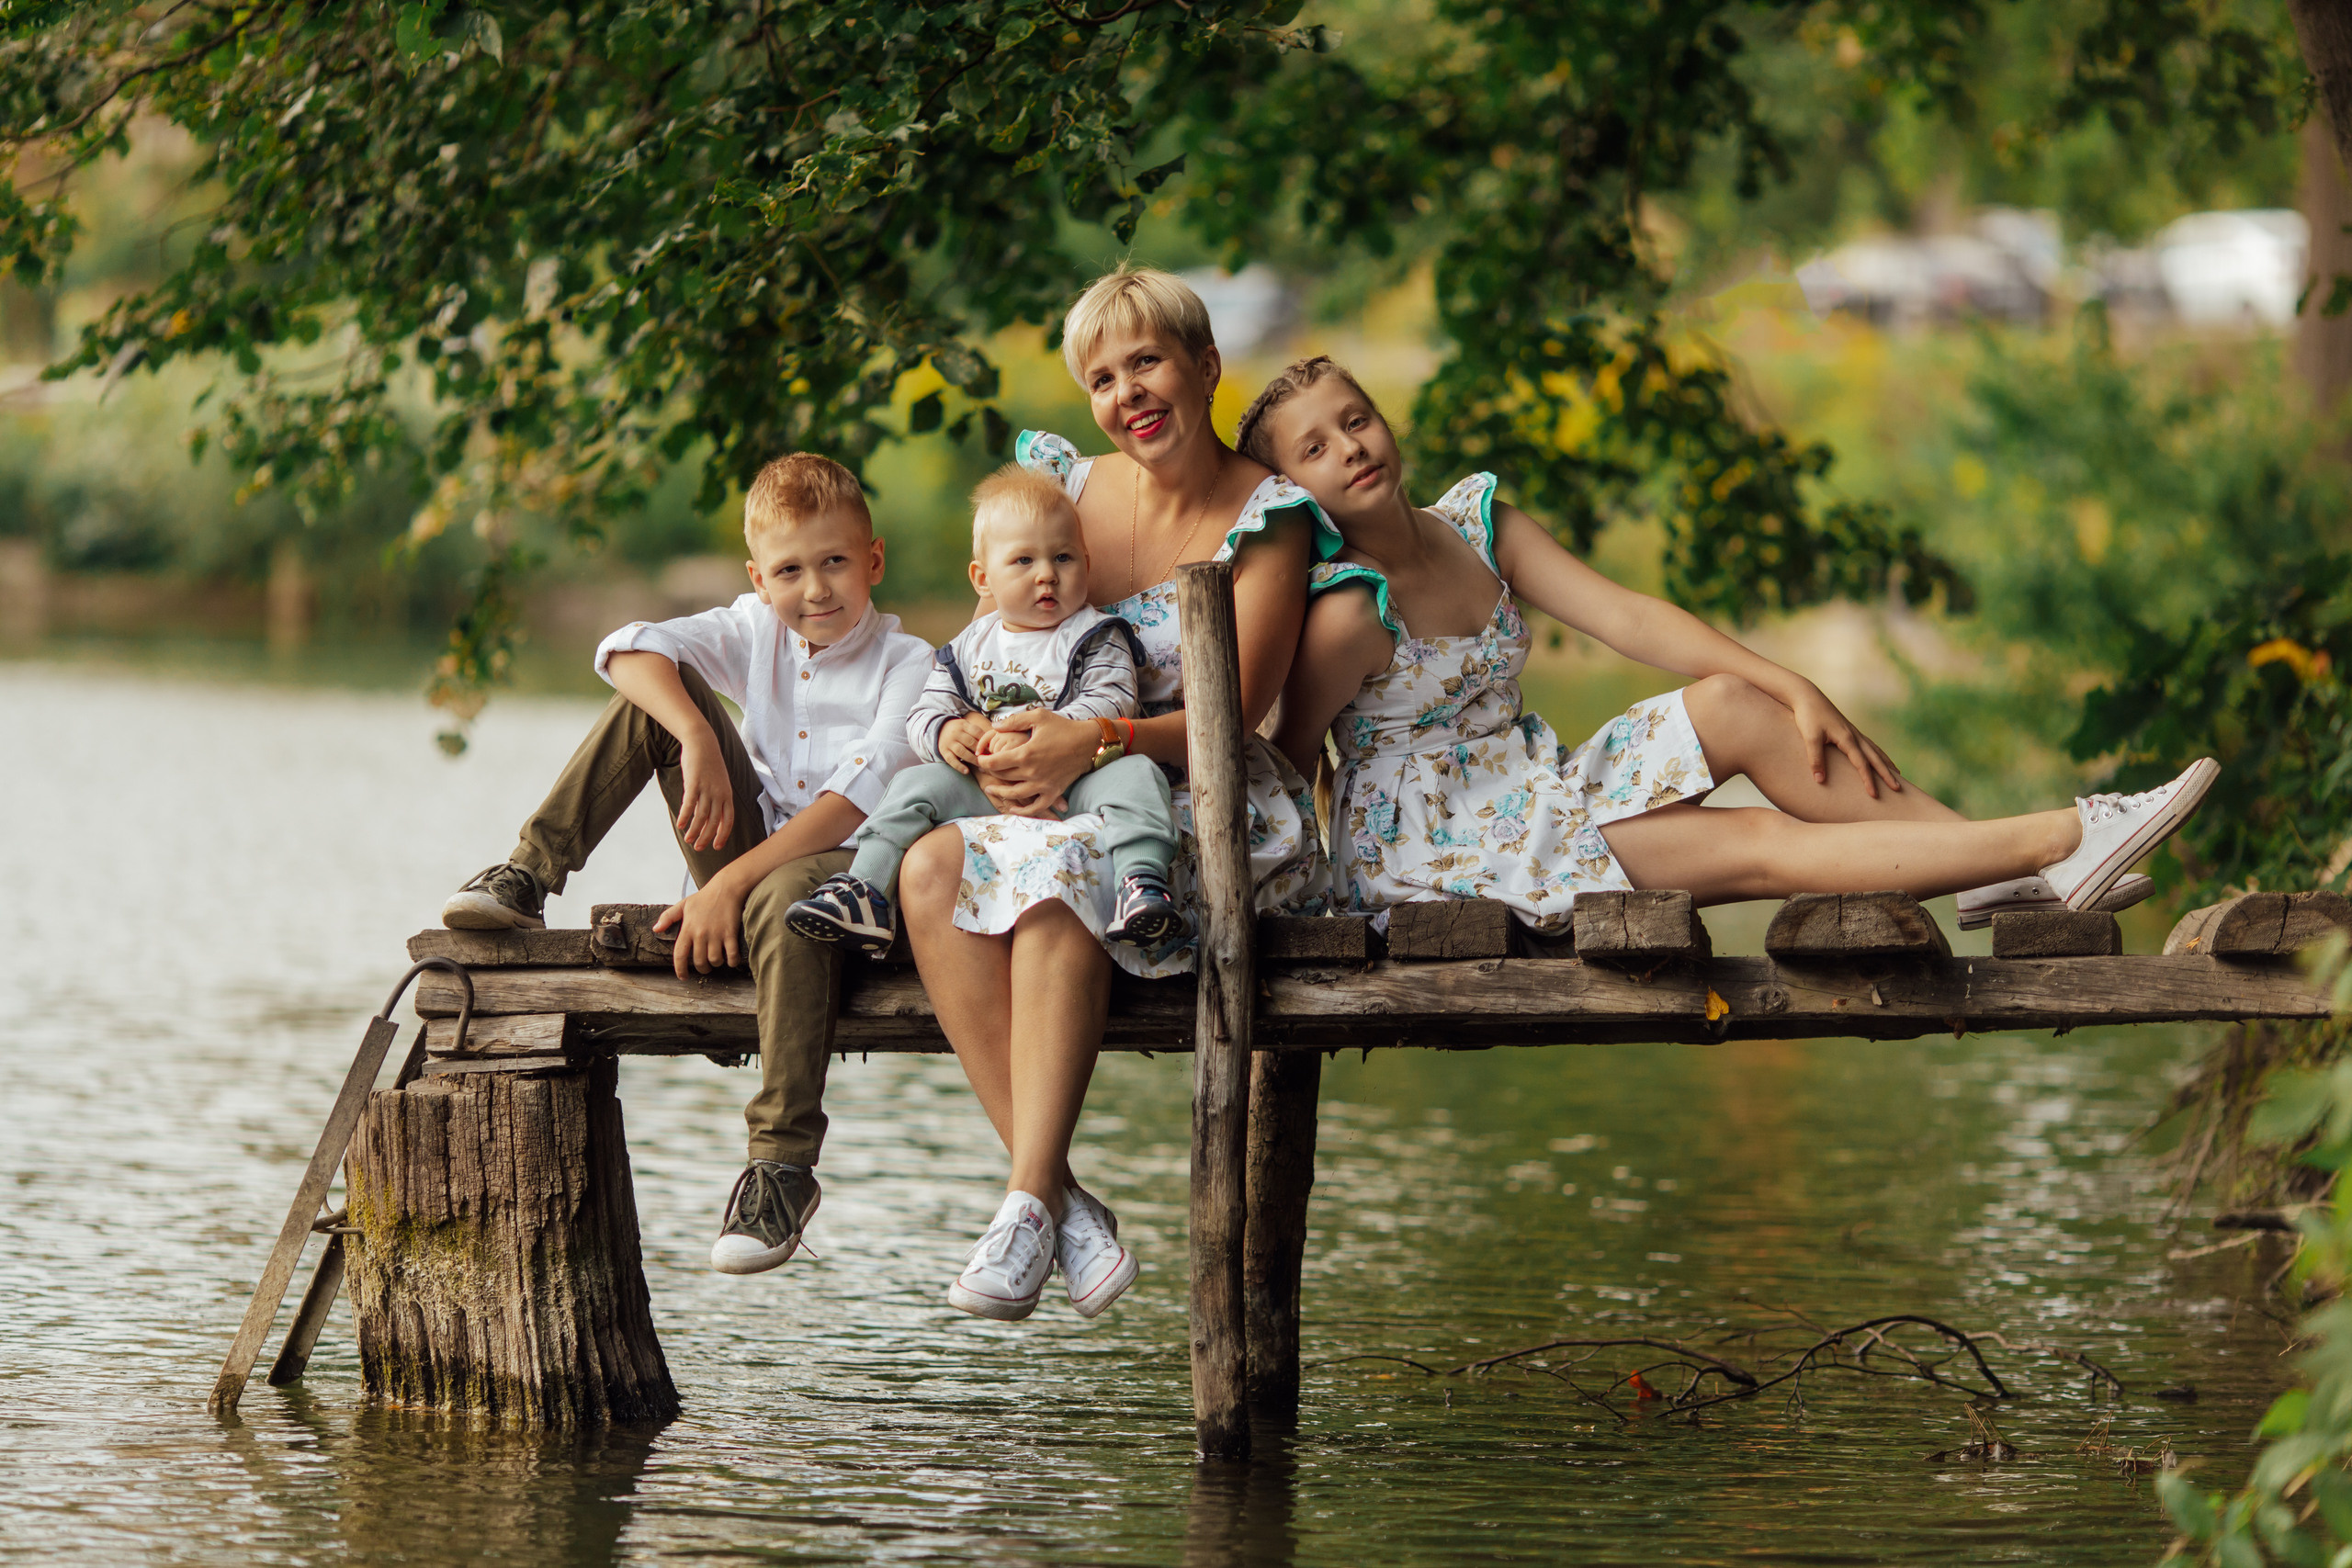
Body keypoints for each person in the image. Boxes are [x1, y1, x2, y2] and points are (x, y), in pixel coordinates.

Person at [1247, 356, 2213, 924]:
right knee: (1755, 838)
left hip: (1534, 791)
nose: (1353, 449)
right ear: (1294, 491)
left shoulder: (1475, 524)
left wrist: (1792, 683)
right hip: (1438, 852)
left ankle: (1993, 871)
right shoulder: (1347, 613)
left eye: (1356, 419)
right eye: (1316, 449)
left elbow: (1627, 616)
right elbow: (1287, 765)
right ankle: (2065, 835)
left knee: (1735, 706)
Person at [892, 265, 1340, 1323]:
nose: (1127, 392)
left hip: (1189, 803)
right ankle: (1052, 1201)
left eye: (1146, 361)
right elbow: (988, 644)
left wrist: (1087, 741)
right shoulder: (1068, 492)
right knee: (924, 869)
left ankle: (1024, 1202)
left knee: (1052, 883)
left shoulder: (1268, 522)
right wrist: (985, 746)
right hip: (1050, 797)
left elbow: (1231, 724)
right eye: (1102, 376)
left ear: (1205, 366)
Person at [438, 452, 933, 1278]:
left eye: (835, 562)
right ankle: (529, 872)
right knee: (656, 702)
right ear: (759, 577)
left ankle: (781, 1168)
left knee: (779, 892)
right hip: (748, 869)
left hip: (849, 883)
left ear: (873, 559)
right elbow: (626, 649)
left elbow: (858, 797)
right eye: (790, 570)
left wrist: (726, 886)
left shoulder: (908, 662)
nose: (815, 588)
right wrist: (699, 734)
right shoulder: (757, 627)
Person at [786, 463, 1187, 957]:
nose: (1046, 574)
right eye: (1023, 561)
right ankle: (865, 889)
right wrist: (946, 731)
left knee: (1139, 777)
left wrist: (1057, 735)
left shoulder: (1094, 634)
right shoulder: (971, 644)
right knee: (913, 786)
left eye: (1063, 557)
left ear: (1086, 562)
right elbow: (927, 708)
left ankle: (1141, 883)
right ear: (983, 578)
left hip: (1079, 778)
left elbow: (1114, 698)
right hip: (988, 784)